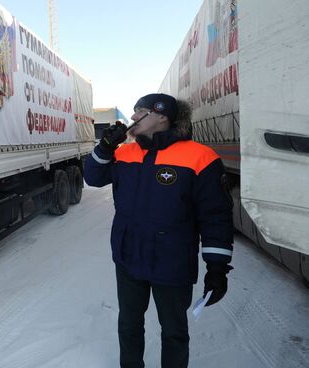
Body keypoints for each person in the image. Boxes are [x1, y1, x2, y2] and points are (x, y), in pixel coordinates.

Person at [84, 93, 234, 368]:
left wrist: (217, 267)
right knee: (129, 325)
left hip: (172, 262)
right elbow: (92, 178)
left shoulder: (200, 157)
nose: (132, 117)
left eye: (139, 111)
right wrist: (105, 147)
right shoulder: (125, 153)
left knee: (174, 331)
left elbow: (216, 216)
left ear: (162, 115)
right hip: (128, 258)